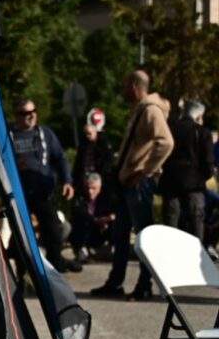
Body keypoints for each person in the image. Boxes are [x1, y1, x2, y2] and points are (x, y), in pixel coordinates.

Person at [91, 71, 174, 300]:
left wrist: (145, 170)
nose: (123, 89)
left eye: (126, 85)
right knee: (120, 234)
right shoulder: (140, 109)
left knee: (143, 238)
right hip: (128, 183)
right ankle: (115, 282)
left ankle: (144, 285)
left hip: (139, 184)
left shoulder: (150, 110)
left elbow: (166, 142)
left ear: (136, 86)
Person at [9, 99, 81, 273]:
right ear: (17, 116)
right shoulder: (8, 135)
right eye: (25, 113)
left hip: (43, 192)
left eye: (33, 111)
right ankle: (22, 274)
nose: (30, 116)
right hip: (19, 194)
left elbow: (60, 158)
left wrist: (67, 181)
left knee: (54, 233)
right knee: (20, 235)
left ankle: (55, 269)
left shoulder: (44, 133)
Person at [158, 100, 212, 240]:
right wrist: (202, 177)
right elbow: (208, 163)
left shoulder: (169, 129)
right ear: (199, 116)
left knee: (171, 225)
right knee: (195, 226)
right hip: (194, 186)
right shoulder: (202, 132)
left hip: (170, 183)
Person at [68, 172, 115, 263]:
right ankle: (81, 250)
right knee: (78, 221)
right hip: (86, 231)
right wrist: (95, 220)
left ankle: (111, 248)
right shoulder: (79, 197)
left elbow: (114, 212)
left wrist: (108, 218)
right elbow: (79, 212)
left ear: (99, 188)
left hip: (102, 230)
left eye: (93, 188)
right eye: (88, 188)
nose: (90, 191)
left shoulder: (107, 198)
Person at [72, 122, 114, 195]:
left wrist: (103, 176)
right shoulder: (83, 145)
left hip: (99, 177)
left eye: (89, 133)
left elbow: (108, 160)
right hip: (85, 178)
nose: (87, 136)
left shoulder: (104, 144)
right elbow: (78, 162)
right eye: (86, 134)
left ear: (95, 132)